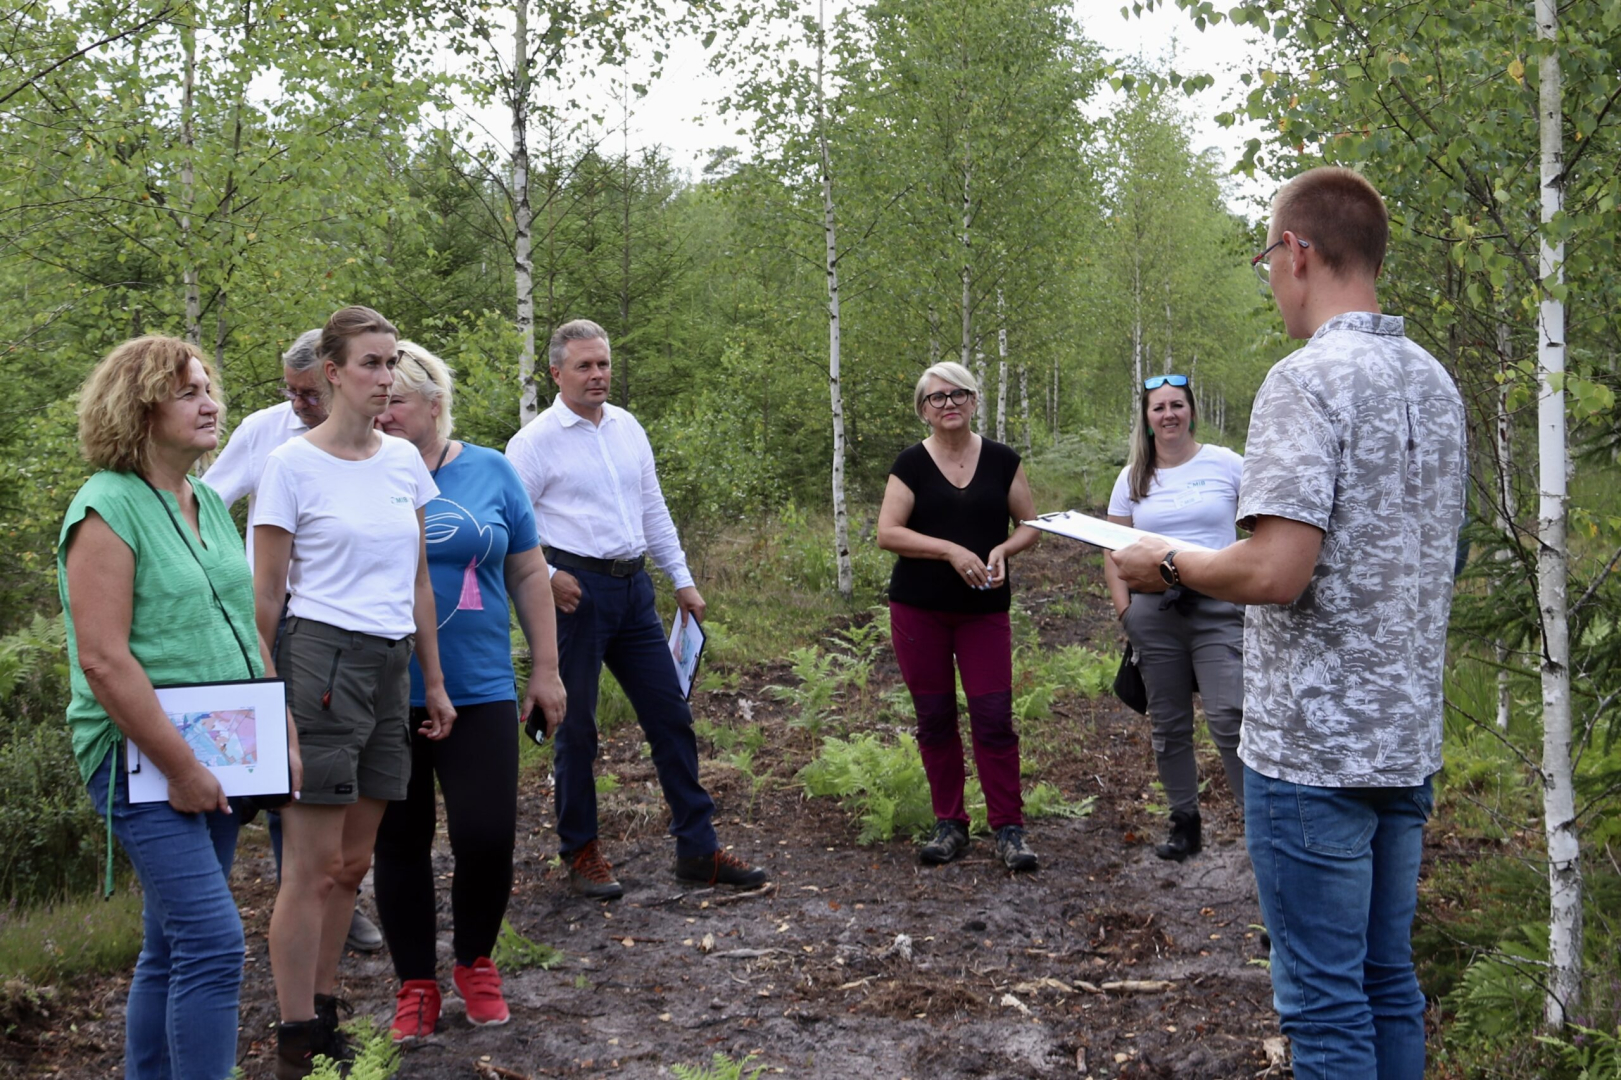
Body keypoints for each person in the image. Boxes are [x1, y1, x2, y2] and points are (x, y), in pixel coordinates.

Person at [1111, 167, 1466, 1079]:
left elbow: (1275, 570)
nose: (1269, 274)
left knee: (1323, 1003)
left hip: (1312, 755)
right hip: (1404, 740)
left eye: (1267, 255)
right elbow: (1441, 555)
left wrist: (1167, 562)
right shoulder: (1435, 383)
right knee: (1386, 982)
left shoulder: (1303, 381)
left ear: (1298, 252)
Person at [58, 335, 301, 1080]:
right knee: (213, 943)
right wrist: (184, 769)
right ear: (138, 410)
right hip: (143, 755)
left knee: (170, 945)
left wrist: (282, 733)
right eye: (187, 393)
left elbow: (247, 627)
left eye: (209, 389)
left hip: (226, 746)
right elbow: (103, 660)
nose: (210, 404)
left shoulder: (206, 502)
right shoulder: (105, 507)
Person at [254, 306, 457, 1079]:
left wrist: (432, 681)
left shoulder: (402, 462)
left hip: (389, 664)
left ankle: (326, 1008)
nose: (385, 378)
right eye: (370, 363)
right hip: (319, 663)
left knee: (351, 862)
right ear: (332, 373)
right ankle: (295, 1037)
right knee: (310, 866)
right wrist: (269, 700)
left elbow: (417, 580)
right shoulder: (291, 466)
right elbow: (266, 596)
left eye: (392, 362)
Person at [504, 318, 768, 900]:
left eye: (603, 364)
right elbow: (507, 525)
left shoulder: (626, 427)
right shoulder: (534, 442)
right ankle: (581, 850)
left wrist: (683, 581)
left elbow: (652, 507)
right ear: (556, 373)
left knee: (671, 715)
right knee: (576, 727)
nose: (597, 375)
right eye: (584, 366)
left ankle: (697, 848)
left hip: (633, 590)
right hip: (574, 594)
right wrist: (547, 577)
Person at [371, 343, 568, 1041]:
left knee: (486, 836)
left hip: (479, 685)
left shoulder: (490, 471)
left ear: (434, 404)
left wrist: (545, 668)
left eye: (397, 400)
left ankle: (475, 960)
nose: (383, 412)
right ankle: (415, 983)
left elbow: (527, 573)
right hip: (384, 690)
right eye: (377, 399)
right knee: (400, 841)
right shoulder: (360, 472)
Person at [204, 328, 385, 955]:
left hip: (338, 625)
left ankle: (322, 895)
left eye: (308, 393)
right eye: (291, 392)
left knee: (313, 768)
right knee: (264, 759)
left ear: (333, 378)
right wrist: (223, 575)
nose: (299, 403)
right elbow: (207, 499)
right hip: (269, 616)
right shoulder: (265, 431)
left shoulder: (371, 438)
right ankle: (218, 905)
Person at [876, 361, 1043, 872]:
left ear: (973, 401)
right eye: (937, 397)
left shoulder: (1002, 460)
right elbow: (888, 532)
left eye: (958, 394)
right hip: (918, 611)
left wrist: (1004, 549)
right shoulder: (911, 464)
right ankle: (949, 824)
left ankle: (1009, 829)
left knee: (993, 718)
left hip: (983, 610)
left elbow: (1031, 525)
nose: (948, 404)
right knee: (935, 718)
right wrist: (949, 549)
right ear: (923, 410)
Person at [1102, 375, 1246, 861]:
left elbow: (1263, 527)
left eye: (1177, 405)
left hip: (1219, 607)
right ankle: (1184, 823)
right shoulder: (1132, 478)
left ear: (1192, 412)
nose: (1169, 414)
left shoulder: (1226, 464)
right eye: (1158, 407)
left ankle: (1260, 823)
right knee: (1168, 724)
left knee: (1229, 716)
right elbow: (1112, 549)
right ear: (1147, 419)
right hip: (1154, 614)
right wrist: (1126, 612)